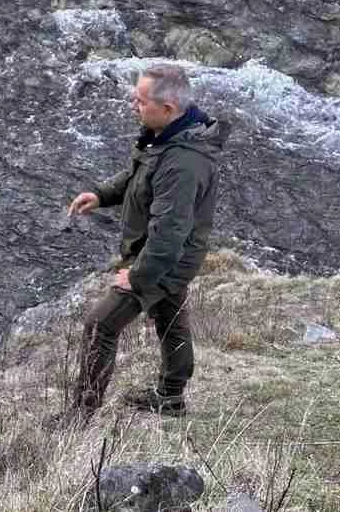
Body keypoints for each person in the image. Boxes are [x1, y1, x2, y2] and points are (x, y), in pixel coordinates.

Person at [56, 63, 228, 427]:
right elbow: (140, 176)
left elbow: (168, 235)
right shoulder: (167, 135)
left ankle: (81, 415)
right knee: (170, 317)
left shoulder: (184, 162)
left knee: (101, 324)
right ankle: (171, 397)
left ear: (168, 108)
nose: (133, 105)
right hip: (168, 255)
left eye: (141, 100)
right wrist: (102, 195)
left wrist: (137, 278)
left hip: (166, 258)